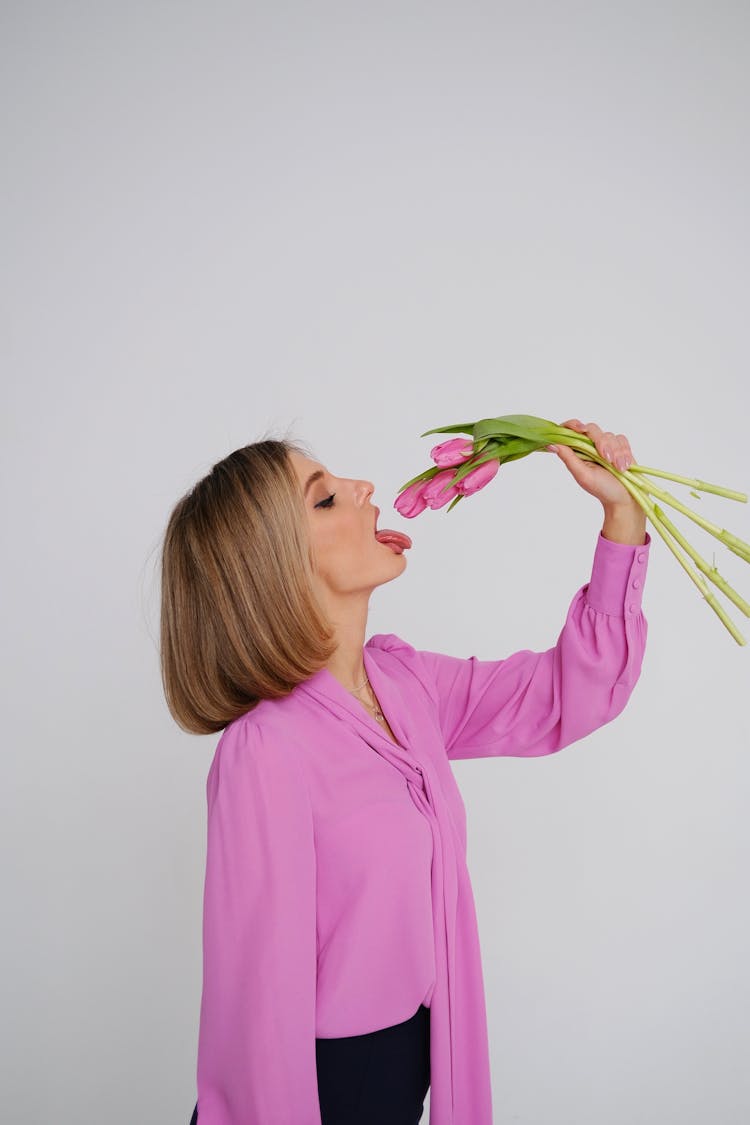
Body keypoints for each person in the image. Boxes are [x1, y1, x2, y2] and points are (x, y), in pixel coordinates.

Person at [160, 418, 650, 1125]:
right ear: (274, 564)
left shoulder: (404, 684)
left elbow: (567, 694)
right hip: (321, 1096)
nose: (364, 489)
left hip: (406, 1080)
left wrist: (621, 514)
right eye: (325, 499)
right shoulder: (266, 749)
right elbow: (257, 1015)